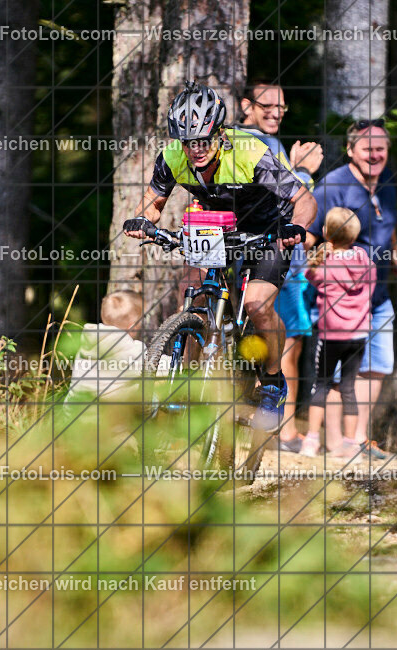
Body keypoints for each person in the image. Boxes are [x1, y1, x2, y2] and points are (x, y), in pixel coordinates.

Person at [123, 82, 318, 433]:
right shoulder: (172, 157)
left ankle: (272, 382)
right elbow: (153, 203)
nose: (195, 149)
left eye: (202, 140)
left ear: (219, 132)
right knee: (196, 290)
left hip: (269, 232)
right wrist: (142, 221)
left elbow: (304, 199)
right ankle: (195, 368)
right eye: (187, 142)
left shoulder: (249, 153)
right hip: (220, 231)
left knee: (258, 305)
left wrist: (296, 229)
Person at [236, 81, 325, 451]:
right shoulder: (252, 143)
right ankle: (285, 433)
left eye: (282, 107)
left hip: (273, 255)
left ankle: (275, 428)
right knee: (284, 347)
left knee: (263, 342)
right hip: (268, 256)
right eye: (267, 105)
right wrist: (303, 171)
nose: (276, 112)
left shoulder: (263, 142)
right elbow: (280, 201)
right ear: (247, 105)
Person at [308, 120, 397, 459]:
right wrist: (314, 268)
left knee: (377, 366)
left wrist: (394, 253)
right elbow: (307, 234)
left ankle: (358, 440)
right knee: (338, 372)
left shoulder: (388, 179)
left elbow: (387, 220)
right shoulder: (332, 185)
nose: (375, 155)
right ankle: (334, 445)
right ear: (351, 150)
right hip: (338, 302)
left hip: (377, 298)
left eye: (380, 149)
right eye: (367, 149)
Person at [301, 208, 374, 459]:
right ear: (354, 235)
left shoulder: (325, 265)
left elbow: (308, 275)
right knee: (349, 387)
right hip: (358, 336)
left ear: (325, 233)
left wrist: (323, 253)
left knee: (320, 385)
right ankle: (351, 444)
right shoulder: (364, 260)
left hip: (331, 336)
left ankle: (311, 441)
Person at [67, 290, 147, 400]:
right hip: (104, 415)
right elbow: (161, 365)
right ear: (133, 327)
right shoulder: (129, 350)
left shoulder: (87, 344)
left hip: (72, 414)